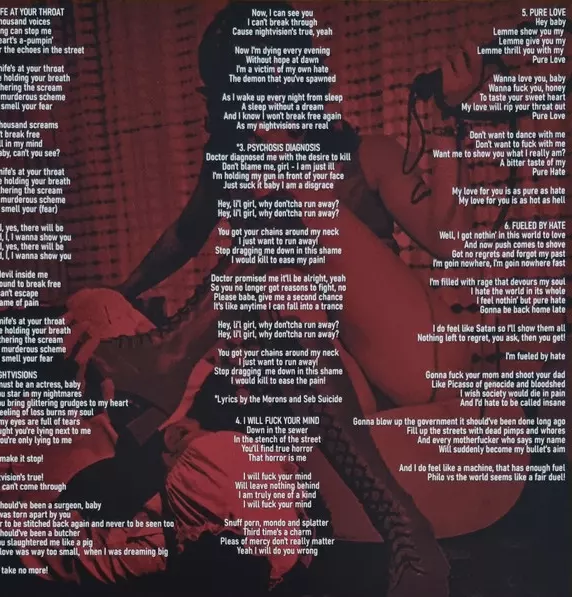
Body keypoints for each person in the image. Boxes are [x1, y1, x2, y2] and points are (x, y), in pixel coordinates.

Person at [45, 1, 489, 595]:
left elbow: (453, 242)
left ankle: (172, 354)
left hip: (417, 362)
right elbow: (185, 233)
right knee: (269, 311)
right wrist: (122, 293)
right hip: (338, 386)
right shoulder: (243, 164)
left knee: (287, 201)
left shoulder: (368, 155)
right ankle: (405, 532)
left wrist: (448, 120)